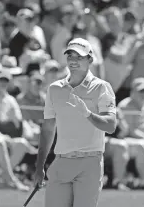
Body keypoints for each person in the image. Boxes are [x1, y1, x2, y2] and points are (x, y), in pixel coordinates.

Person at [34, 38, 117, 207]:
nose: (73, 60)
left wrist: (87, 114)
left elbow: (110, 126)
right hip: (61, 161)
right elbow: (48, 129)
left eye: (79, 57)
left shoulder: (102, 87)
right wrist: (39, 166)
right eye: (70, 55)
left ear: (90, 60)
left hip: (90, 162)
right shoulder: (55, 89)